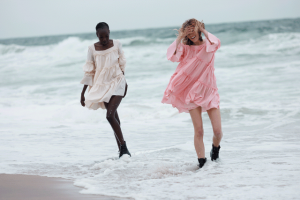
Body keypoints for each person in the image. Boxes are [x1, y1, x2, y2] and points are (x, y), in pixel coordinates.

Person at [162, 19, 223, 168]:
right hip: (191, 92)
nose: (190, 34)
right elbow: (171, 55)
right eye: (187, 31)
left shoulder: (208, 46)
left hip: (209, 91)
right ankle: (202, 163)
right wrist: (179, 37)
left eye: (192, 30)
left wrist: (202, 30)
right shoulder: (185, 48)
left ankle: (215, 149)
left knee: (218, 131)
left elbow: (216, 42)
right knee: (199, 131)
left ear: (199, 29)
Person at [80, 22, 130, 158]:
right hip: (102, 85)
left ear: (109, 32)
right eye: (101, 37)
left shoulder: (117, 44)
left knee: (109, 115)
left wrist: (125, 84)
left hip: (118, 81)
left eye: (106, 36)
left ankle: (124, 147)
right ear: (96, 35)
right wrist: (83, 93)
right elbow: (90, 71)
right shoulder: (92, 49)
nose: (104, 40)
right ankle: (122, 151)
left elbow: (122, 64)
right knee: (114, 118)